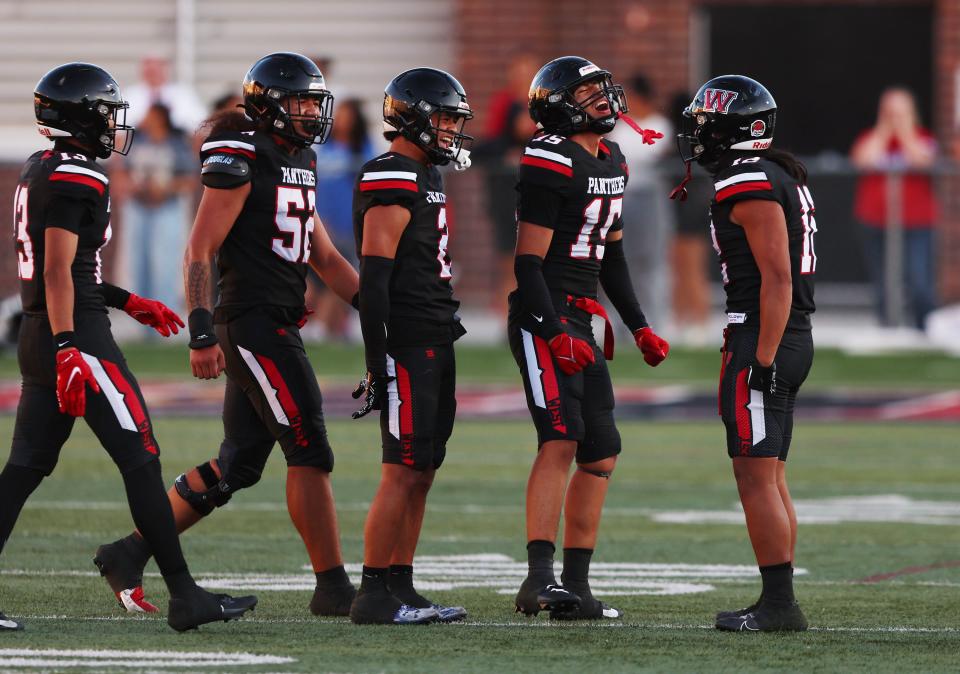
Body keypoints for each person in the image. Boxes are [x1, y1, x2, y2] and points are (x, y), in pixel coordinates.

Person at [92, 53, 360, 619]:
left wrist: (380, 310)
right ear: (269, 106)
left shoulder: (301, 158)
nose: (313, 112)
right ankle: (333, 587)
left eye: (316, 101)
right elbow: (200, 249)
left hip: (274, 322)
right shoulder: (244, 157)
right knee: (309, 448)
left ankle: (129, 551)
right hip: (252, 324)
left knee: (238, 464)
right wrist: (200, 330)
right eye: (301, 102)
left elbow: (326, 256)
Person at [1, 62, 256, 632]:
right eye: (104, 113)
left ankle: (180, 589)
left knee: (22, 469)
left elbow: (57, 269)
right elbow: (61, 271)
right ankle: (185, 595)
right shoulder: (78, 176)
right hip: (75, 337)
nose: (113, 123)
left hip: (43, 334)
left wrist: (127, 300)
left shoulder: (41, 167)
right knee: (141, 459)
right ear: (79, 117)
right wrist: (72, 345)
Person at [509, 56, 670, 620]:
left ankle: (575, 588)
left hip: (585, 317)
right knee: (560, 439)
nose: (603, 99)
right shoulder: (550, 157)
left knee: (601, 452)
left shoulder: (613, 157)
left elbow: (613, 254)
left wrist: (639, 324)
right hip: (544, 313)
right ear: (557, 102)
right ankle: (537, 579)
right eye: (586, 92)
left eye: (602, 88)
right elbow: (528, 265)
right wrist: (551, 332)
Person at [673, 75, 816, 632]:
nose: (700, 134)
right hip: (789, 334)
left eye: (708, 125)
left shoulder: (747, 180)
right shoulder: (778, 173)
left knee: (755, 476)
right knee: (771, 474)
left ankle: (780, 604)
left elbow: (777, 278)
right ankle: (777, 597)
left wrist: (760, 358)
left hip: (766, 333)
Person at [348, 67, 473, 625]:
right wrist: (377, 358)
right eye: (446, 118)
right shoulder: (391, 175)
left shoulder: (424, 174)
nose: (452, 130)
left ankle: (401, 584)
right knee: (401, 468)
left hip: (436, 332)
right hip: (407, 340)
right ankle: (373, 593)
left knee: (423, 467)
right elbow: (374, 278)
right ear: (417, 116)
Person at [850, 87, 938, 330]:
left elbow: (923, 159)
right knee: (883, 280)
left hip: (917, 221)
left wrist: (904, 131)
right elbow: (862, 159)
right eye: (889, 111)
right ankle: (887, 325)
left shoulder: (923, 137)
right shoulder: (871, 137)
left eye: (900, 111)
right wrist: (884, 130)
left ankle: (923, 325)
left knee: (919, 278)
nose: (894, 116)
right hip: (875, 219)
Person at [113, 103, 195, 317]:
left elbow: (190, 179)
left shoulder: (176, 144)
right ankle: (141, 313)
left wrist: (166, 188)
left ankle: (164, 311)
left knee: (164, 262)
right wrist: (132, 186)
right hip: (138, 206)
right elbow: (120, 171)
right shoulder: (136, 141)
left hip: (167, 207)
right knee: (138, 263)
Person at [608, 73, 674, 330]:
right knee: (622, 258)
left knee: (652, 260)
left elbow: (657, 158)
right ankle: (623, 323)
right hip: (622, 197)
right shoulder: (619, 129)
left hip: (651, 197)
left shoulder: (660, 125)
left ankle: (656, 321)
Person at [310, 98, 376, 339]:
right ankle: (325, 326)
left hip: (350, 223)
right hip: (323, 221)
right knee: (317, 279)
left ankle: (329, 327)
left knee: (340, 274)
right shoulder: (325, 147)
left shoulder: (363, 148)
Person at [124, 55, 206, 133]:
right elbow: (121, 124)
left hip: (177, 142)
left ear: (166, 70)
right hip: (138, 142)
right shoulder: (129, 94)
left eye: (157, 68)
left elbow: (198, 121)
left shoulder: (183, 94)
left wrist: (167, 121)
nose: (154, 72)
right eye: (150, 70)